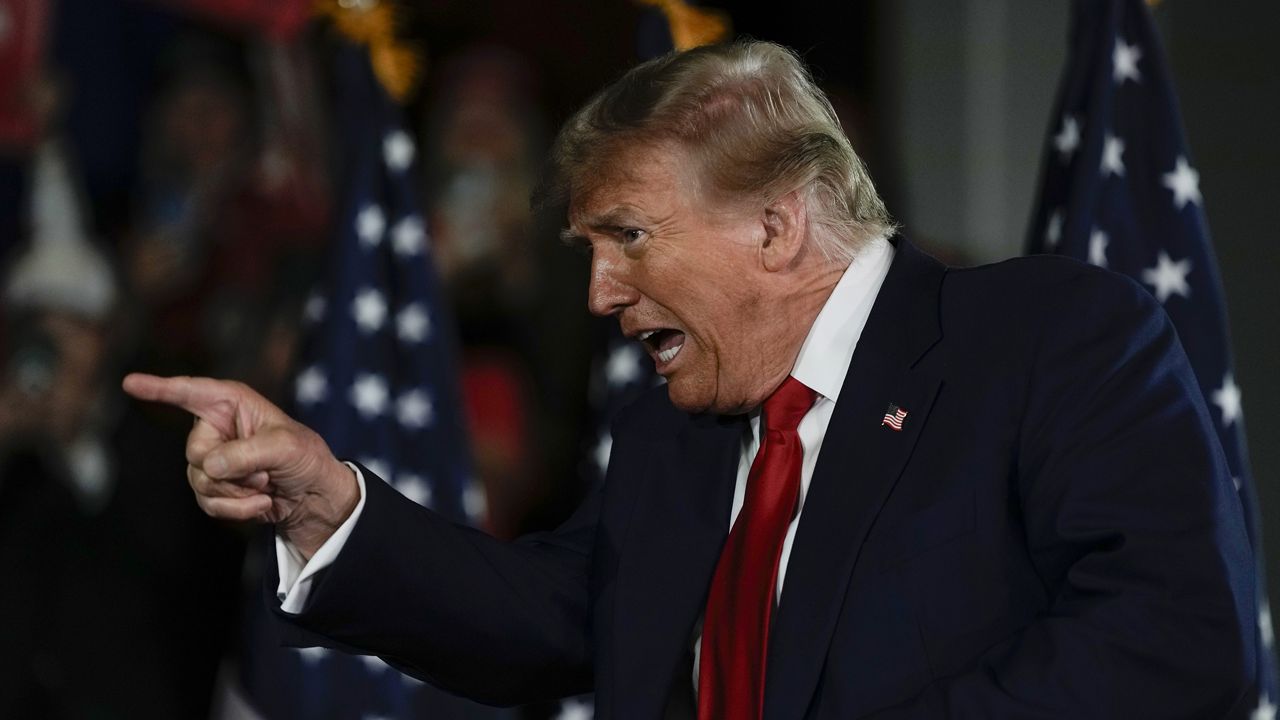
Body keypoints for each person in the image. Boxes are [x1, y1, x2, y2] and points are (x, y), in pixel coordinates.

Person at [124, 41, 1258, 718]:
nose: (600, 296)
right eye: (587, 253)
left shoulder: (1043, 340)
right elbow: (559, 615)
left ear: (773, 226)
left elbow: (1170, 640)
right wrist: (332, 508)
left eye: (627, 239)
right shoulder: (674, 430)